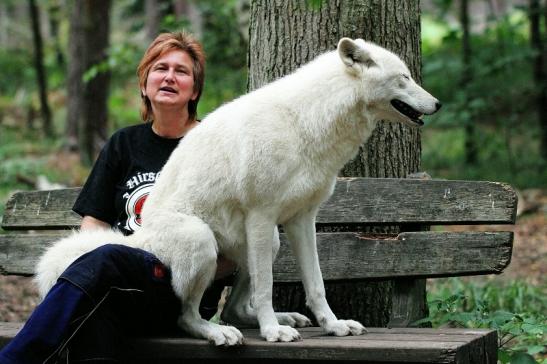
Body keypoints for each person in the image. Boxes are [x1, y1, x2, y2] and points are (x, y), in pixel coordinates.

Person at [0, 31, 235, 364]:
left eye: (181, 71)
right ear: (144, 84)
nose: (169, 76)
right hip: (120, 285)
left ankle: (15, 359)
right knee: (96, 308)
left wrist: (196, 270)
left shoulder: (215, 146)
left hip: (180, 291)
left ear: (194, 90)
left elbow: (237, 238)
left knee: (108, 261)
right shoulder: (124, 144)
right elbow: (92, 225)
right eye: (160, 68)